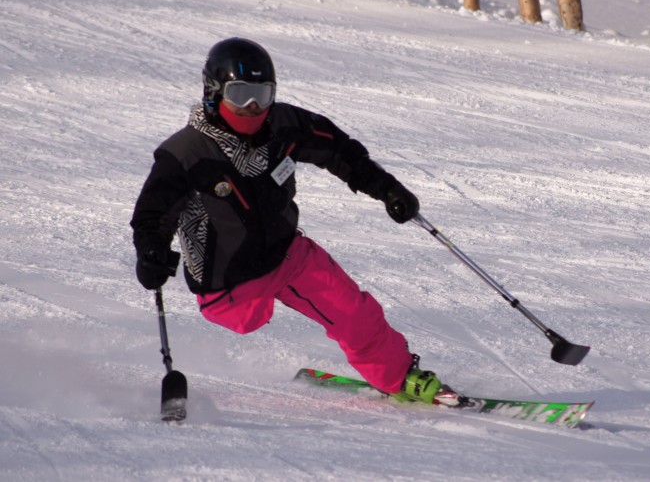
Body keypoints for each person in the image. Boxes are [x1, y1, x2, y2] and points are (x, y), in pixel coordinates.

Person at [131, 37, 447, 404]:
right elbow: (152, 214)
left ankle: (398, 376)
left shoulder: (283, 125)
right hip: (227, 284)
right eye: (241, 94)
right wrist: (151, 253)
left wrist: (388, 189)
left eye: (262, 95)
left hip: (288, 256)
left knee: (355, 312)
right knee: (249, 320)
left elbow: (340, 151)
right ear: (213, 93)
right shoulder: (186, 153)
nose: (252, 107)